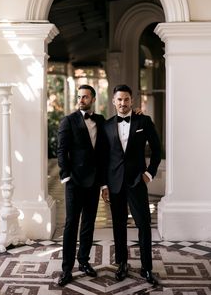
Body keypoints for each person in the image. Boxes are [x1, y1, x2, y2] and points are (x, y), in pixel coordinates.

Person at [101, 84, 161, 286]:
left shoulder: (144, 121)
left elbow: (156, 150)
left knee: (144, 225)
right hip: (115, 184)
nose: (123, 103)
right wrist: (104, 185)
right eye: (119, 99)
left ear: (132, 100)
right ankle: (122, 264)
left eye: (126, 99)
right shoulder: (107, 125)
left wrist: (148, 174)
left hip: (137, 182)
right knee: (119, 226)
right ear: (113, 101)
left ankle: (147, 268)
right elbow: (103, 159)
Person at [57, 84, 105, 286]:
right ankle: (66, 269)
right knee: (71, 225)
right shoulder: (68, 120)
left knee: (88, 224)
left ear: (93, 99)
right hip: (75, 181)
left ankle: (84, 261)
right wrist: (65, 176)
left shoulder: (101, 121)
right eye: (79, 97)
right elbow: (61, 150)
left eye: (85, 97)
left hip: (93, 182)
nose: (81, 100)